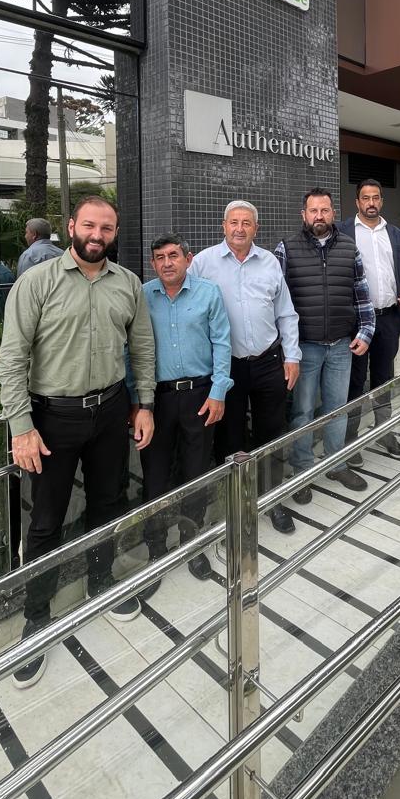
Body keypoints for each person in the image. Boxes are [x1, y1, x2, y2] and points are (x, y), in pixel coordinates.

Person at [0, 195, 156, 689]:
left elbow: (142, 347)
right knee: (45, 520)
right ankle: (36, 616)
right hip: (52, 419)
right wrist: (21, 426)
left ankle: (100, 581)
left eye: (106, 228)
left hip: (110, 411)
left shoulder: (127, 284)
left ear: (115, 232)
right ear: (70, 227)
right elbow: (12, 359)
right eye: (89, 225)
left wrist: (144, 403)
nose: (97, 235)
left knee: (108, 502)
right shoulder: (36, 282)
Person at [191, 200, 301, 535]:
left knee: (272, 432)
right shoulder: (203, 263)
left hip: (268, 362)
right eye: (234, 222)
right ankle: (237, 506)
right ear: (223, 226)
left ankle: (273, 499)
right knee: (230, 438)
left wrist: (292, 356)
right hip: (227, 369)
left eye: (246, 223)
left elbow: (286, 313)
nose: (239, 229)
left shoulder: (269, 262)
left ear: (256, 228)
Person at [138, 232, 233, 581]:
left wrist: (219, 391)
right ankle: (156, 547)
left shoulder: (209, 293)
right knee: (155, 475)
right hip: (157, 399)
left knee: (196, 473)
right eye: (160, 257)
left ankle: (191, 543)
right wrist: (137, 402)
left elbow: (222, 342)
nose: (167, 263)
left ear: (188, 259)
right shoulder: (142, 296)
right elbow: (132, 349)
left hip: (200, 395)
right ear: (153, 263)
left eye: (173, 255)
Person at [275, 187, 375, 501]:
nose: (319, 216)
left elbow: (361, 293)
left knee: (337, 408)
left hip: (342, 345)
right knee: (303, 411)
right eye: (313, 211)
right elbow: (277, 301)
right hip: (304, 347)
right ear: (303, 214)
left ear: (333, 213)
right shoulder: (286, 249)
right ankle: (302, 470)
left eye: (325, 210)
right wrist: (285, 348)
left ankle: (336, 463)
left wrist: (366, 330)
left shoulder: (349, 247)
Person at [338, 178, 400, 462]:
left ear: (381, 201)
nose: (371, 203)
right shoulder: (343, 231)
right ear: (357, 202)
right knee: (355, 382)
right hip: (356, 322)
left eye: (376, 197)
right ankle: (350, 440)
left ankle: (384, 432)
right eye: (365, 198)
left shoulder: (395, 234)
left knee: (384, 379)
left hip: (389, 317)